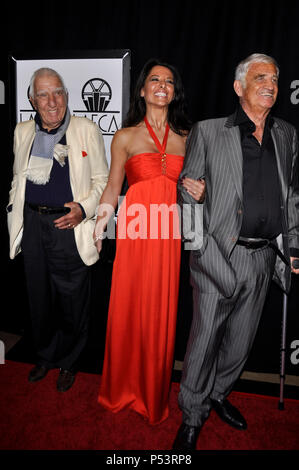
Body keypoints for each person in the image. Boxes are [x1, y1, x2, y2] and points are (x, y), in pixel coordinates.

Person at [173, 53, 299, 449]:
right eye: (261, 76)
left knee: (240, 342)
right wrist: (203, 255)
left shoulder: (287, 134)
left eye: (276, 79)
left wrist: (292, 245)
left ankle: (218, 395)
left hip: (262, 258)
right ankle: (192, 415)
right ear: (238, 86)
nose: (271, 84)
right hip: (217, 256)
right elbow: (187, 196)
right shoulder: (208, 131)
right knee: (204, 342)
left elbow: (291, 195)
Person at [94, 58, 205, 424]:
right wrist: (100, 223)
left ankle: (151, 394)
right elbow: (113, 187)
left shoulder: (189, 137)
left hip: (167, 235)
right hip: (135, 233)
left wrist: (201, 192)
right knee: (128, 308)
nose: (162, 85)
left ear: (175, 92)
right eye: (154, 80)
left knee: (160, 313)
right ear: (142, 90)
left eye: (169, 81)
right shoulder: (125, 136)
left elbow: (199, 190)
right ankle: (120, 389)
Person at [7, 67, 109, 392]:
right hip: (33, 224)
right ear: (33, 100)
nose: (52, 101)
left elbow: (102, 181)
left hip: (68, 224)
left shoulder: (85, 129)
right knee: (38, 297)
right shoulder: (23, 131)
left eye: (58, 92)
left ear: (66, 95)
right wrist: (14, 209)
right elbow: (16, 179)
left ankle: (70, 361)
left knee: (72, 300)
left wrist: (84, 209)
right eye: (43, 94)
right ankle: (46, 356)